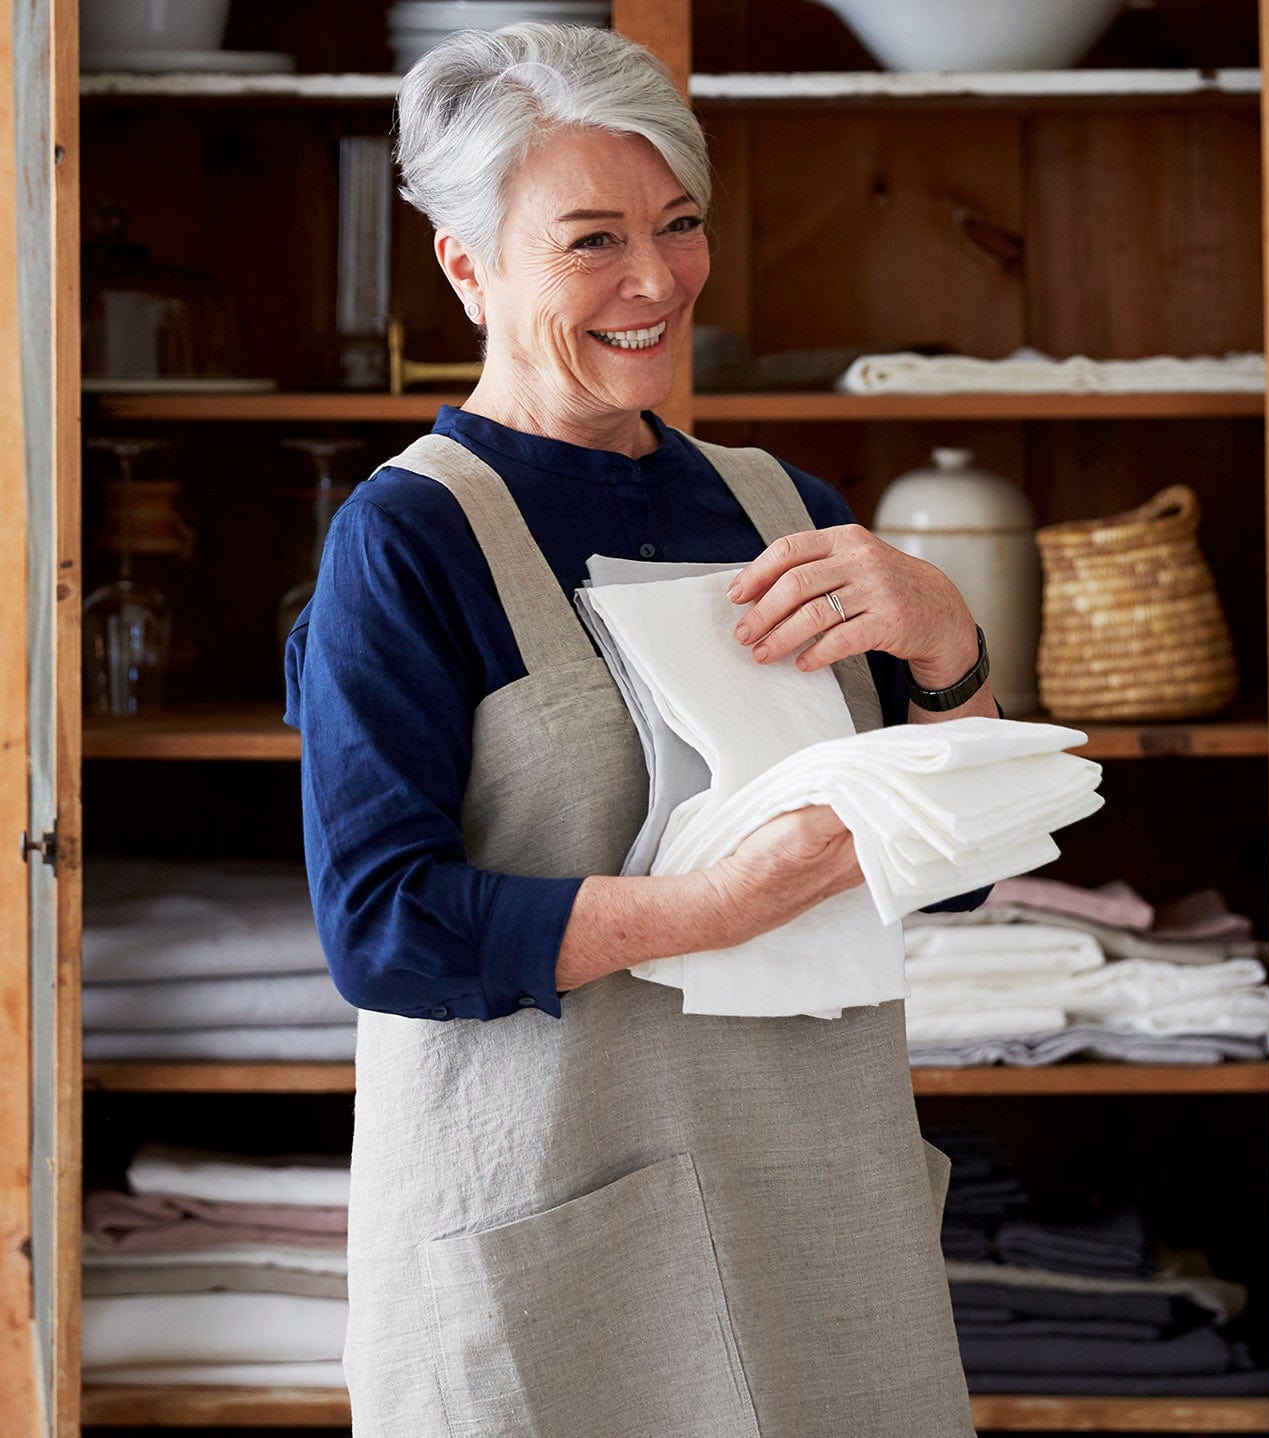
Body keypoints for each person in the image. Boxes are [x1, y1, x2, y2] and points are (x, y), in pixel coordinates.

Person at [283, 22, 1000, 1437]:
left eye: (680, 226)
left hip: (810, 1209)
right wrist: (708, 908)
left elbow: (957, 866)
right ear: (468, 265)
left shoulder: (780, 504)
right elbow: (383, 927)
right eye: (593, 240)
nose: (656, 281)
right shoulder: (410, 537)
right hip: (550, 1229)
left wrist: (945, 639)